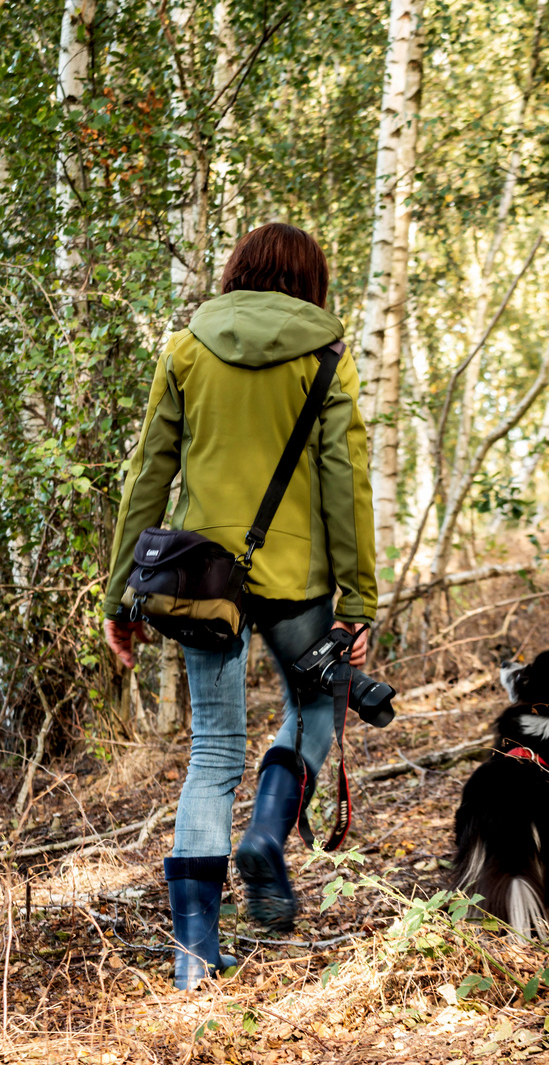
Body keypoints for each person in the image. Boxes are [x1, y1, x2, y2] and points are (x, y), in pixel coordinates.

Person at [103, 223, 377, 990]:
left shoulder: (187, 346)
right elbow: (343, 483)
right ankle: (267, 831)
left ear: (239, 271)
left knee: (214, 751)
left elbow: (148, 474)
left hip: (201, 582)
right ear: (311, 281)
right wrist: (357, 601)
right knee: (318, 709)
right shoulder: (326, 357)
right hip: (299, 576)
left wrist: (121, 594)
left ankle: (194, 956)